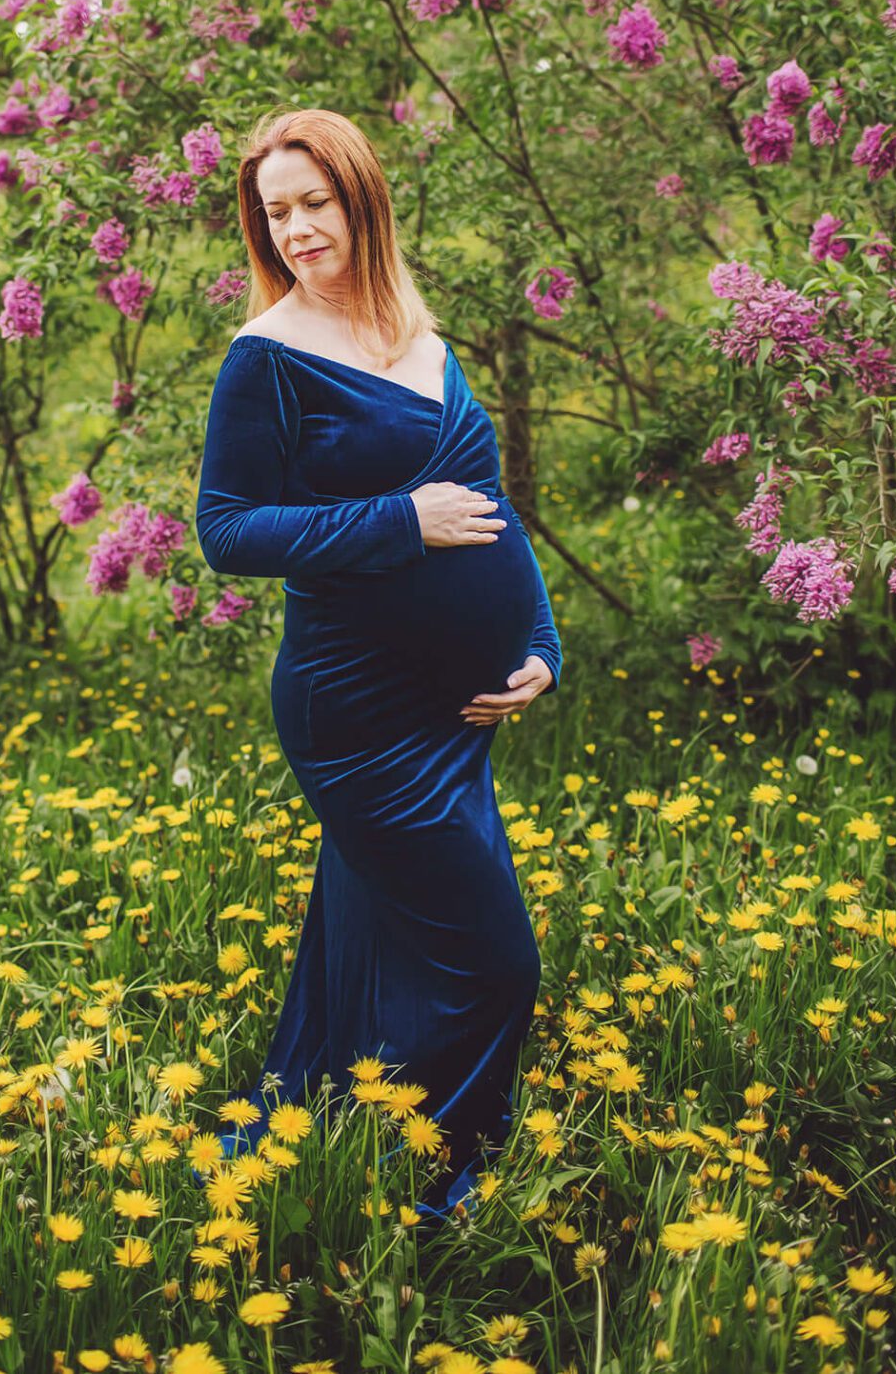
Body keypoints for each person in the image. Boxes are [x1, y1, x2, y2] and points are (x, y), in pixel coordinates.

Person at [194, 106, 562, 1220]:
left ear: (362, 197)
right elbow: (227, 530)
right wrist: (397, 522)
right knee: (496, 963)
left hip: (453, 713)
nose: (298, 228)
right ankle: (437, 1179)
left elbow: (488, 509)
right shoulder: (266, 357)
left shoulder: (423, 337)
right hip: (354, 707)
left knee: (377, 927)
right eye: (276, 211)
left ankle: (350, 1116)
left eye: (315, 202)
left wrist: (538, 639)